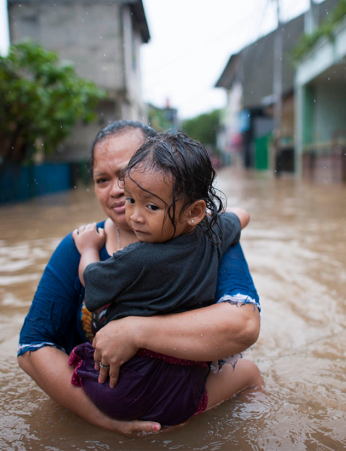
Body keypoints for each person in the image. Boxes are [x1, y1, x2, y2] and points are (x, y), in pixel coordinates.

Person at [17, 121, 261, 435]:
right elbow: (33, 347)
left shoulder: (208, 236)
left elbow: (242, 325)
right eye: (102, 179)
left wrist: (135, 332)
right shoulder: (78, 244)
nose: (117, 189)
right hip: (127, 406)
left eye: (128, 171)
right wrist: (103, 420)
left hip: (147, 396)